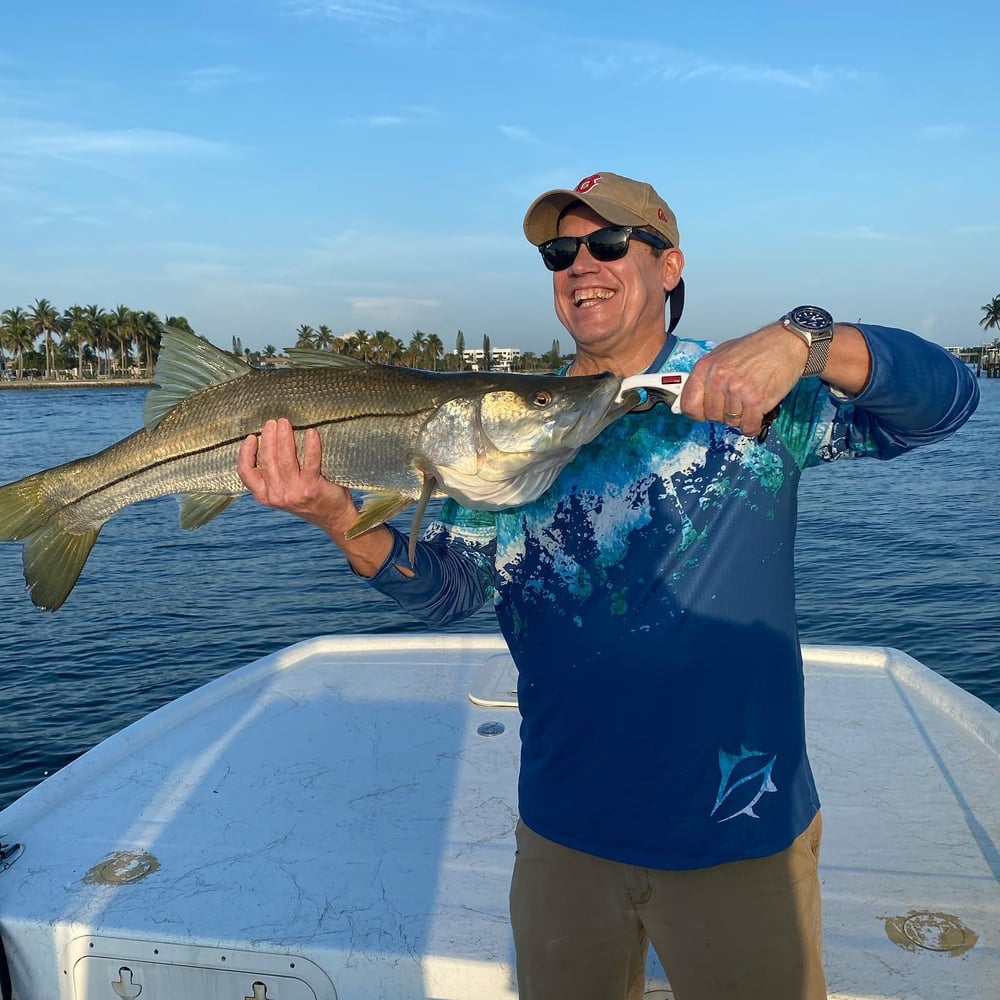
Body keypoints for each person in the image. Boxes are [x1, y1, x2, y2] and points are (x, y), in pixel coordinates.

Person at [237, 171, 979, 1000]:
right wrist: (340, 518)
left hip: (739, 828)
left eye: (609, 242)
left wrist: (806, 339)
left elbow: (946, 405)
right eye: (561, 251)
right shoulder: (508, 423)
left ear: (670, 266)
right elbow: (450, 592)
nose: (580, 264)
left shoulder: (750, 391)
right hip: (564, 829)